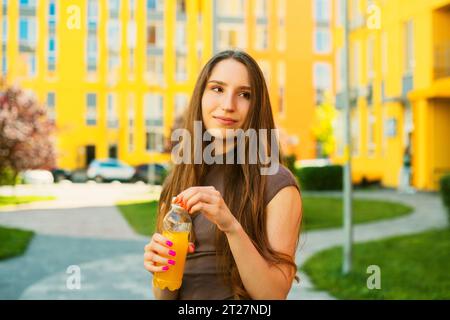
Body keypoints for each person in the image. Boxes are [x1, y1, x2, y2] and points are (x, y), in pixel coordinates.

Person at [143, 50, 303, 300]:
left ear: (256, 106)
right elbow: (165, 296)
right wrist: (160, 268)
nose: (228, 105)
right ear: (201, 96)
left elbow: (273, 296)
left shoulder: (277, 184)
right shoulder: (178, 181)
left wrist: (230, 226)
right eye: (217, 89)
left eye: (244, 94)